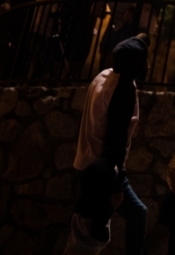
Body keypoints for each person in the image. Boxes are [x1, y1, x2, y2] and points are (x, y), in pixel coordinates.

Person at [66, 34, 149, 255]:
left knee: (84, 233)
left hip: (85, 163)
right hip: (102, 171)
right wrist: (117, 183)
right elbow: (116, 139)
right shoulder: (123, 88)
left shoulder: (103, 76)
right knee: (88, 240)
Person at [61, 0, 108, 77]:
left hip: (68, 24)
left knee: (64, 57)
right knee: (78, 59)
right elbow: (100, 12)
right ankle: (67, 85)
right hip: (85, 27)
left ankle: (56, 83)